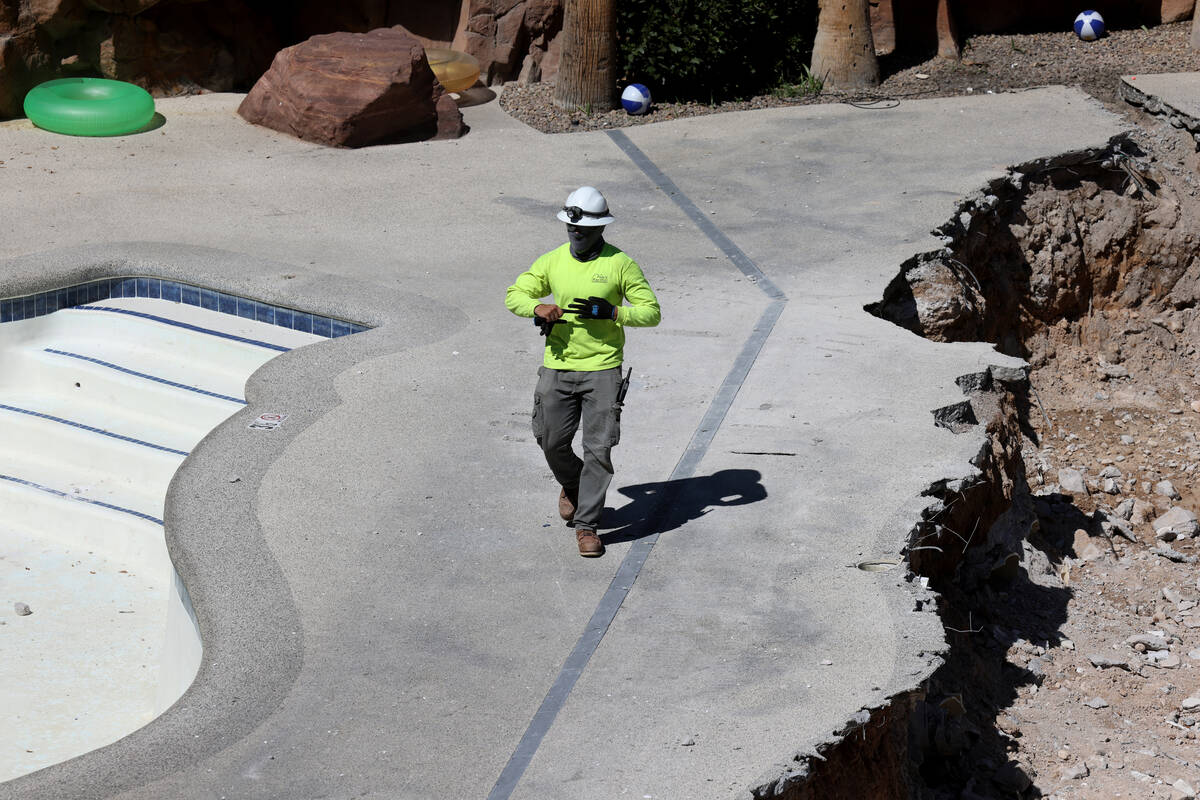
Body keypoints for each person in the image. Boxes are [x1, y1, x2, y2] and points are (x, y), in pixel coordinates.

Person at [505, 186, 661, 557]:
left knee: (599, 448)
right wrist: (537, 309)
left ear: (600, 228)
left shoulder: (620, 264)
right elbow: (515, 294)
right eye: (571, 228)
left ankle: (587, 525)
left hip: (603, 370)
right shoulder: (551, 261)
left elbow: (651, 312)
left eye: (584, 229)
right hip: (558, 366)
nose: (576, 234)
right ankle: (574, 485)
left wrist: (613, 313)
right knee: (550, 439)